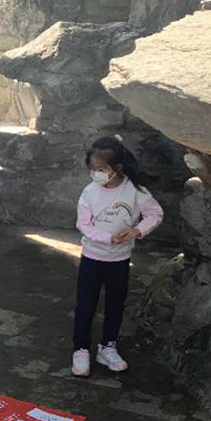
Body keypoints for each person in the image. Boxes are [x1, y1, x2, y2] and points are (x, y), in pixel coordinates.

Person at [72, 135, 162, 378]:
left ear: (117, 168)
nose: (96, 174)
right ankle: (80, 348)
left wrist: (137, 230)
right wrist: (107, 238)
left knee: (115, 305)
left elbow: (155, 214)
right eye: (92, 169)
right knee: (85, 304)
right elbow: (83, 224)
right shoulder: (90, 192)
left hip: (120, 260)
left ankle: (108, 347)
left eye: (101, 169)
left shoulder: (135, 191)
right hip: (92, 257)